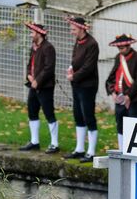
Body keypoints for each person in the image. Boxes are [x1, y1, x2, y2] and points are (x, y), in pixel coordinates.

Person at [63, 16, 99, 163]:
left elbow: (88, 67)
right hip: (77, 84)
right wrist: (71, 69)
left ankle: (91, 151)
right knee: (78, 114)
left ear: (81, 28)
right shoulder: (78, 42)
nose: (71, 32)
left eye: (73, 29)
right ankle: (79, 149)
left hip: (88, 85)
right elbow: (75, 60)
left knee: (88, 115)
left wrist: (75, 76)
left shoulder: (92, 44)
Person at [19, 22, 60, 153]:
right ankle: (34, 141)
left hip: (45, 87)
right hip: (33, 85)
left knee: (49, 113)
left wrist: (38, 80)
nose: (30, 34)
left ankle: (54, 143)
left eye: (32, 32)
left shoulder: (48, 48)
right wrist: (29, 76)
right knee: (32, 111)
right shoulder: (34, 47)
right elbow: (29, 64)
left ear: (38, 33)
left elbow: (49, 68)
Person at [105, 33, 137, 150]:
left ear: (129, 46)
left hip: (133, 98)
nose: (120, 50)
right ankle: (122, 150)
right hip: (120, 97)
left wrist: (128, 96)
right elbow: (112, 78)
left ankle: (134, 152)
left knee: (134, 126)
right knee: (120, 125)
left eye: (122, 48)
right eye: (119, 48)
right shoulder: (118, 58)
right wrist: (112, 92)